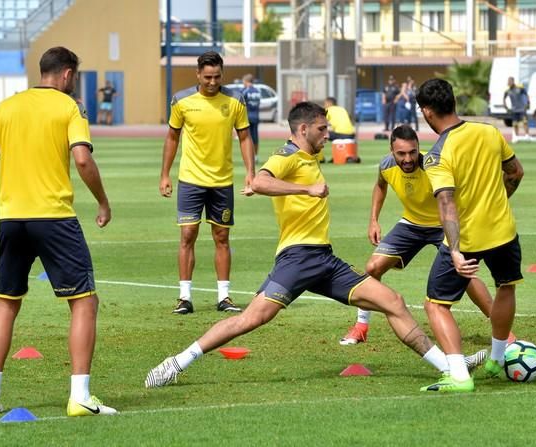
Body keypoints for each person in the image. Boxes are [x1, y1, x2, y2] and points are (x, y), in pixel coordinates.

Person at [145, 102, 486, 391]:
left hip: (323, 259)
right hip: (297, 258)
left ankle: (450, 366)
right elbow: (260, 180)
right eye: (323, 129)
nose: (328, 135)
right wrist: (305, 191)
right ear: (304, 128)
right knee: (251, 319)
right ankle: (177, 362)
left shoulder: (308, 156)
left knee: (393, 302)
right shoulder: (289, 155)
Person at [0, 46, 116, 416]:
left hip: (12, 219)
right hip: (54, 218)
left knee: (6, 303)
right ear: (68, 74)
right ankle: (80, 396)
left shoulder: (7, 107)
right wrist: (102, 201)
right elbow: (82, 159)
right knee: (84, 302)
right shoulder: (69, 108)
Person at [339, 124, 501, 346]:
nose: (408, 159)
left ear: (418, 148)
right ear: (391, 151)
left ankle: (503, 332)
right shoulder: (386, 165)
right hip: (411, 224)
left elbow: (455, 197)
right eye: (401, 153)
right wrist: (374, 220)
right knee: (373, 268)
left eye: (412, 152)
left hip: (443, 225)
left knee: (464, 273)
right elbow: (380, 186)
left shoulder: (432, 166)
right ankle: (361, 327)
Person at [417, 78, 524, 392]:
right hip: (504, 231)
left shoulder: (437, 154)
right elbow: (515, 171)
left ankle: (460, 377)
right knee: (505, 287)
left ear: (426, 111)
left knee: (436, 305)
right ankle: (496, 359)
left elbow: (446, 202)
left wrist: (454, 250)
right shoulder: (490, 132)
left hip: (468, 238)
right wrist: (499, 201)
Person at [159, 51, 255, 315]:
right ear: (198, 74)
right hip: (191, 180)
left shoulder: (236, 99)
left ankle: (224, 297)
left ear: (222, 74)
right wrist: (165, 174)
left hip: (222, 181)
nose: (212, 82)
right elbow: (172, 138)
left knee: (222, 237)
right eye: (208, 77)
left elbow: (245, 137)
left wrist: (251, 172)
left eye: (217, 76)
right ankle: (184, 297)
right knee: (188, 234)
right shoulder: (181, 100)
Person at [241, 73, 262, 163]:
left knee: (247, 138)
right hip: (256, 116)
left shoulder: (245, 91)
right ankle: (256, 156)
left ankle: (249, 157)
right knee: (255, 137)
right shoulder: (257, 91)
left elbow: (241, 103)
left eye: (243, 82)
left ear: (246, 81)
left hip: (247, 117)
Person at [504, 76, 530, 141]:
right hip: (514, 110)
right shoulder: (507, 91)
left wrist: (528, 103)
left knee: (525, 122)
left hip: (522, 109)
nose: (508, 83)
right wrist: (506, 107)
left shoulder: (520, 88)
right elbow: (504, 98)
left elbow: (526, 94)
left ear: (513, 81)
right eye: (508, 81)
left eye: (510, 81)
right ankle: (516, 137)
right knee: (515, 124)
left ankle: (527, 135)